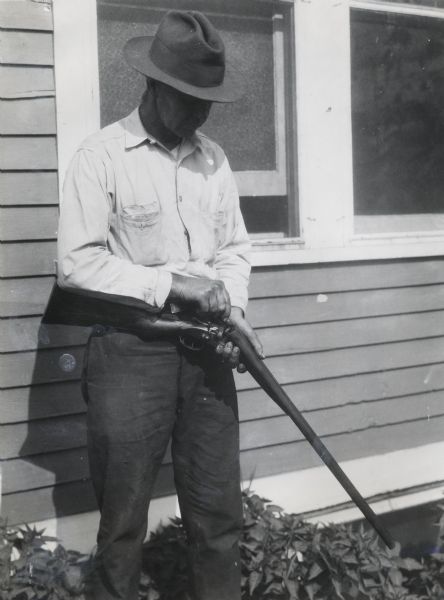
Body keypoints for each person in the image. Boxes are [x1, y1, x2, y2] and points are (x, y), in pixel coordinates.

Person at [57, 9, 263, 600]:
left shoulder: (213, 160)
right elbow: (76, 264)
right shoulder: (102, 157)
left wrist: (232, 306)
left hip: (207, 355)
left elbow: (234, 249)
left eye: (209, 101)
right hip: (129, 353)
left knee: (218, 519)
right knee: (122, 527)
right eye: (190, 98)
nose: (201, 113)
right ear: (152, 86)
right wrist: (175, 284)